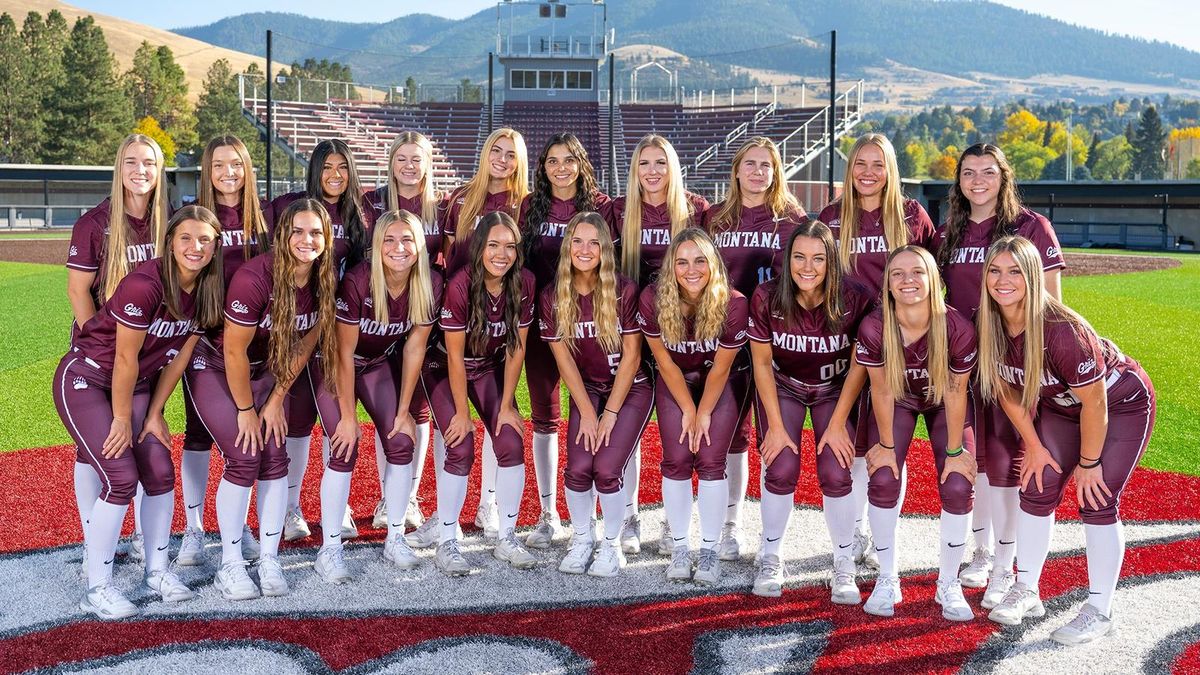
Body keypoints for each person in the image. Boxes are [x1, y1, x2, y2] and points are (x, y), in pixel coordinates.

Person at [980, 236, 1155, 646]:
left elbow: (1095, 403)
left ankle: (1099, 609)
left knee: (1096, 498)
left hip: (1119, 401)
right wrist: (1035, 447)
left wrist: (1089, 463)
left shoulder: (1062, 330)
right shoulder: (989, 321)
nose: (1003, 280)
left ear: (1033, 277)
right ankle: (1027, 589)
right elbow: (1006, 389)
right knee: (1037, 484)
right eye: (995, 270)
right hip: (1061, 407)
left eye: (1015, 271)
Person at [54, 205, 223, 619]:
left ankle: (156, 571)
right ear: (169, 243)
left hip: (140, 388)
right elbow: (125, 359)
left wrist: (153, 415)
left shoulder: (207, 289)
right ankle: (97, 587)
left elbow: (178, 359)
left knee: (161, 472)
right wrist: (122, 418)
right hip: (89, 380)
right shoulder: (145, 283)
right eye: (185, 238)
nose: (195, 247)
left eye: (204, 239)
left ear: (216, 246)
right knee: (121, 477)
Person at [184, 199, 338, 601]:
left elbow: (306, 343)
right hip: (218, 365)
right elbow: (234, 351)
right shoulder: (256, 277)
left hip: (268, 372)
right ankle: (231, 564)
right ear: (282, 233)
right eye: (298, 231)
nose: (307, 240)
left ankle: (269, 558)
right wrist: (246, 410)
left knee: (275, 455)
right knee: (244, 452)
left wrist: (276, 398)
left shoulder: (324, 278)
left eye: (316, 232)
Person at [934, 143, 1066, 604]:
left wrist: (1040, 364)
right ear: (959, 181)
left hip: (1013, 362)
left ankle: (1007, 565)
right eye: (968, 173)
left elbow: (1053, 303)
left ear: (1003, 177)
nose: (977, 181)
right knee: (980, 462)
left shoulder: (1031, 226)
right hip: (965, 361)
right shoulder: (950, 231)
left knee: (1007, 461)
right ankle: (982, 552)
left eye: (987, 172)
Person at [817, 133, 936, 572]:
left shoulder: (910, 215)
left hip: (896, 344)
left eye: (878, 164)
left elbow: (928, 276)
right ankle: (857, 530)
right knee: (852, 439)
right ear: (850, 170)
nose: (868, 173)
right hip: (840, 342)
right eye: (860, 164)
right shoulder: (831, 217)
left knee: (885, 443)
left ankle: (874, 527)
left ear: (890, 170)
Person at [311, 210, 441, 582]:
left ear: (420, 245)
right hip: (335, 362)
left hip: (377, 362)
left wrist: (404, 410)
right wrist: (348, 417)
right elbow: (342, 350)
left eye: (407, 239)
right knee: (344, 444)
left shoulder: (428, 282)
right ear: (376, 245)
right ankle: (330, 547)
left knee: (401, 440)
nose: (399, 248)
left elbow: (415, 349)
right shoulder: (358, 280)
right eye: (389, 239)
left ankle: (396, 536)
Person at [747, 222, 874, 599]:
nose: (808, 266)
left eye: (818, 258)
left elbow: (858, 367)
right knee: (781, 464)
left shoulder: (855, 297)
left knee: (837, 470)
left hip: (835, 389)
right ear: (787, 261)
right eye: (799, 257)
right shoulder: (768, 295)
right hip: (783, 385)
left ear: (831, 261)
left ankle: (844, 563)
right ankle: (771, 554)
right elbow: (761, 363)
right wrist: (773, 425)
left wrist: (837, 424)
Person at [853, 246, 978, 620]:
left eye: (918, 272)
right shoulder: (875, 326)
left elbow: (955, 391)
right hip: (899, 399)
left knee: (958, 484)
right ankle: (887, 578)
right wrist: (887, 446)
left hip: (944, 401)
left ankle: (948, 582)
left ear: (934, 280)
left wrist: (956, 452)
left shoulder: (956, 327)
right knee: (884, 476)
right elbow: (882, 389)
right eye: (898, 274)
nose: (908, 280)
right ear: (888, 285)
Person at [65, 133, 170, 565]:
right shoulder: (96, 222)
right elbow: (77, 291)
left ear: (160, 169)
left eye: (148, 162)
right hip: (103, 353)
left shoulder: (172, 221)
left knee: (146, 441)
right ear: (118, 167)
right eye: (131, 162)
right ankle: (95, 539)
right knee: (95, 447)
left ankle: (147, 539)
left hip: (149, 354)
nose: (140, 171)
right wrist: (100, 342)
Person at [702, 136, 808, 561]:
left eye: (766, 164)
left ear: (776, 171)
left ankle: (751, 530)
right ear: (737, 170)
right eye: (750, 164)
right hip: (720, 336)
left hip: (770, 337)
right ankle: (726, 525)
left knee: (763, 434)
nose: (758, 171)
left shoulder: (791, 219)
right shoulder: (715, 218)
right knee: (727, 433)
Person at [427, 127, 528, 546]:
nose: (502, 160)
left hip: (498, 323)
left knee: (500, 425)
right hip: (458, 317)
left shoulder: (526, 205)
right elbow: (446, 256)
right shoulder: (460, 200)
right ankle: (443, 515)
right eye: (496, 151)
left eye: (511, 154)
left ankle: (489, 503)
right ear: (485, 153)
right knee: (451, 430)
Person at [271, 139, 375, 541]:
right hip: (296, 326)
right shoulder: (290, 206)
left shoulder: (360, 214)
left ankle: (339, 504)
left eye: (343, 167)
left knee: (339, 422)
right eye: (327, 166)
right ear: (315, 170)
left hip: (337, 329)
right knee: (297, 424)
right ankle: (292, 508)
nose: (335, 174)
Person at [177, 135, 272, 567]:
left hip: (256, 349)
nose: (228, 173)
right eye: (218, 165)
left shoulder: (266, 216)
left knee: (252, 441)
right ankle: (194, 531)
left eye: (236, 164)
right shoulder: (194, 215)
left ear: (247, 168)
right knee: (198, 435)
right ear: (206, 171)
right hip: (204, 343)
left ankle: (241, 524)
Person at [541, 212, 653, 577]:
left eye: (593, 242)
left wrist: (610, 413)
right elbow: (565, 362)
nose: (585, 249)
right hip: (587, 388)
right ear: (567, 246)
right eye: (577, 241)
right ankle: (582, 538)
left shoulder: (624, 290)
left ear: (605, 248)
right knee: (577, 468)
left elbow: (633, 356)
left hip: (630, 387)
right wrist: (588, 412)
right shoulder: (553, 295)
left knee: (606, 468)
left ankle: (611, 544)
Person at [424, 211, 536, 575]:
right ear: (479, 248)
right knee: (460, 445)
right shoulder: (460, 284)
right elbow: (455, 355)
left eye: (510, 246)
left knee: (510, 441)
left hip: (488, 367)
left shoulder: (524, 283)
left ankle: (507, 537)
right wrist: (461, 412)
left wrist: (506, 405)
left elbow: (516, 348)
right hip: (444, 367)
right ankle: (447, 541)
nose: (501, 254)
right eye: (493, 245)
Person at [638, 228, 751, 586]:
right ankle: (681, 548)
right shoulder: (652, 298)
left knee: (712, 460)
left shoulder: (734, 302)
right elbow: (665, 362)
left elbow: (721, 367)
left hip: (723, 378)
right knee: (676, 459)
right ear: (670, 267)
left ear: (714, 264)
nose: (691, 270)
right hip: (678, 379)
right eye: (682, 262)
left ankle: (709, 550)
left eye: (700, 260)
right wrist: (688, 408)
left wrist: (703, 413)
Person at [612, 134, 708, 553]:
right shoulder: (617, 210)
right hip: (632, 329)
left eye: (660, 163)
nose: (652, 171)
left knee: (682, 431)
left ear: (673, 168)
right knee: (630, 428)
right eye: (644, 163)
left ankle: (675, 522)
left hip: (683, 334)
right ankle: (630, 516)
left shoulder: (697, 210)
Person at [519, 132, 615, 550]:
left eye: (568, 159)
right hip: (546, 324)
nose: (561, 168)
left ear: (581, 163)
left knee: (597, 411)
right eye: (552, 160)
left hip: (593, 325)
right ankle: (548, 513)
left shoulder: (603, 207)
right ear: (542, 167)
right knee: (545, 417)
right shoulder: (529, 206)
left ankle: (600, 513)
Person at [362, 131, 444, 533]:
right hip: (377, 316)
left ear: (428, 164)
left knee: (417, 409)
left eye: (417, 159)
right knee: (387, 409)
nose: (409, 167)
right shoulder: (370, 204)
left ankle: (409, 494)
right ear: (391, 162)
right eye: (401, 159)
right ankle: (385, 493)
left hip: (421, 318)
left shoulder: (441, 210)